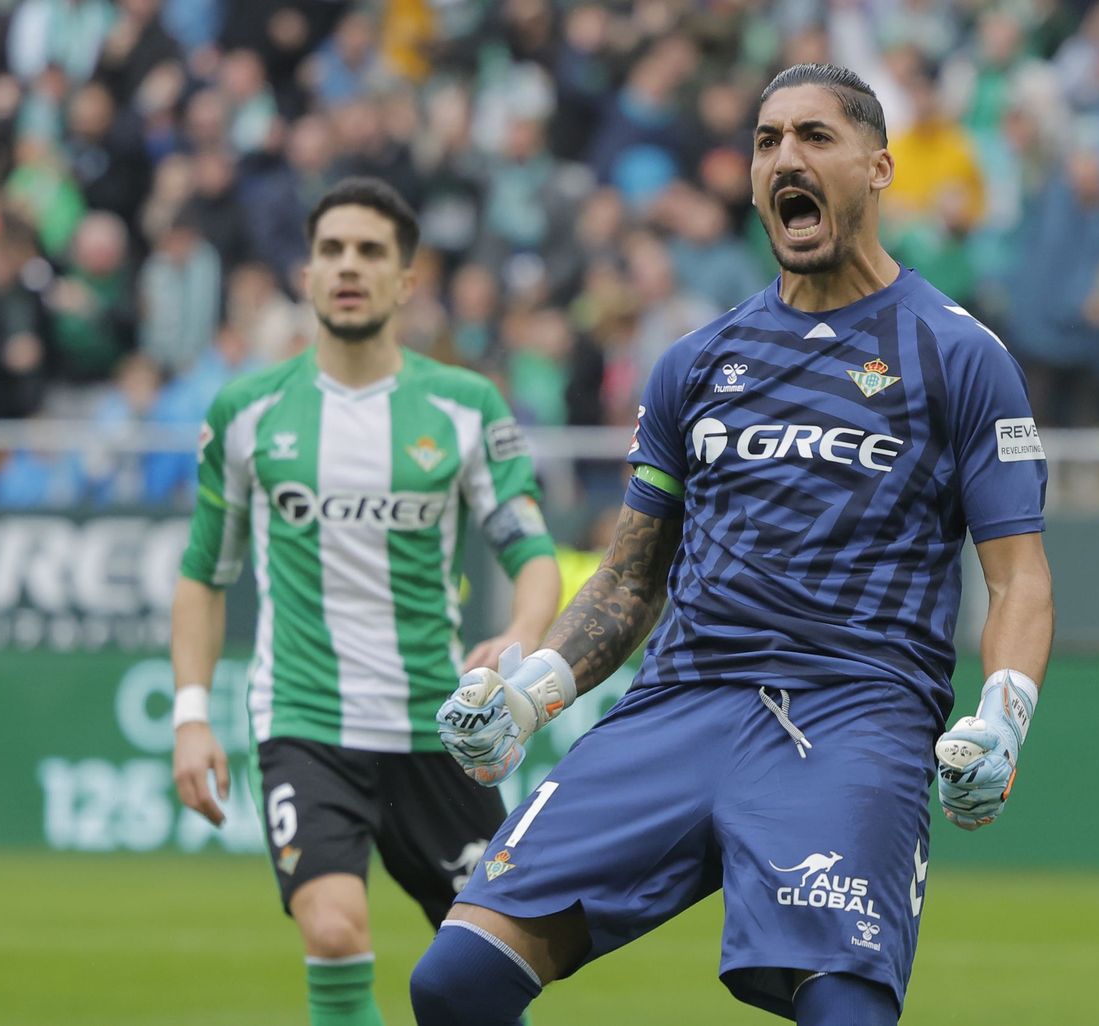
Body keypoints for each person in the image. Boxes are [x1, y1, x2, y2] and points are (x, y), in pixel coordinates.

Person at [412, 64, 1055, 1026]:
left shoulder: (959, 355)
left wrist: (1004, 717)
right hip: (680, 704)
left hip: (850, 714)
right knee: (454, 981)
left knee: (846, 1013)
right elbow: (632, 581)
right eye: (766, 142)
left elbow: (1019, 581)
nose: (785, 157)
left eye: (813, 137)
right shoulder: (696, 363)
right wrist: (530, 690)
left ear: (879, 168)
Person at [170, 177, 561, 1026]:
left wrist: (523, 635)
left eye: (371, 251)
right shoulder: (247, 412)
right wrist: (191, 714)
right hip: (307, 720)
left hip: (440, 726)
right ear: (306, 275)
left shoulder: (465, 408)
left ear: (406, 281)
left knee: (487, 966)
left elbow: (532, 551)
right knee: (335, 927)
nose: (350, 266)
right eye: (333, 250)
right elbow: (204, 572)